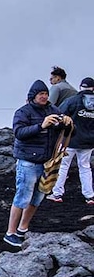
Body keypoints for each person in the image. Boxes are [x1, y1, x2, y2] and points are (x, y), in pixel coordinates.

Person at [5, 80, 73, 247]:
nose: (44, 96)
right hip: (28, 162)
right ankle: (10, 233)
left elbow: (64, 132)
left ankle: (23, 228)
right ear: (33, 96)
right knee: (22, 197)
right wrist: (41, 126)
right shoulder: (23, 112)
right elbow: (19, 133)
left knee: (38, 197)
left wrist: (68, 124)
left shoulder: (53, 110)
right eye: (41, 94)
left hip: (46, 163)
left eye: (46, 94)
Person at [48, 77, 94, 205]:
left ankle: (57, 194)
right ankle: (89, 196)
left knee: (63, 166)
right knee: (85, 167)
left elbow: (59, 115)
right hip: (89, 141)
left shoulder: (72, 101)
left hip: (70, 139)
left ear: (80, 87)